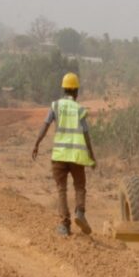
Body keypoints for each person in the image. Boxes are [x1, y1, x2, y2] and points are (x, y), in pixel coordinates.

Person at [32, 72, 96, 237]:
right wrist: (91, 155)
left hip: (59, 156)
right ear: (76, 91)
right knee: (80, 186)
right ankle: (80, 212)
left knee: (61, 189)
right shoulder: (79, 109)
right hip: (76, 157)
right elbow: (86, 134)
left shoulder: (55, 106)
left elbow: (45, 125)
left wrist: (37, 143)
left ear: (64, 89)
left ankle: (64, 225)